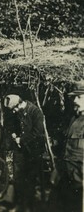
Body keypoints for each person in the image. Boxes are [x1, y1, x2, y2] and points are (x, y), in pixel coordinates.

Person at [4, 94, 46, 212]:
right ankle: (17, 205)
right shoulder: (18, 111)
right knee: (18, 177)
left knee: (30, 180)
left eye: (14, 109)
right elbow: (15, 126)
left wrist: (21, 140)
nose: (14, 112)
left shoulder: (35, 112)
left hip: (33, 151)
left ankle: (28, 207)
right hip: (21, 150)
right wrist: (14, 133)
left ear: (20, 103)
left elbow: (37, 132)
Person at [54, 81, 84, 212]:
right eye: (73, 97)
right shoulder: (74, 118)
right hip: (67, 175)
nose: (75, 100)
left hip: (80, 179)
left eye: (79, 97)